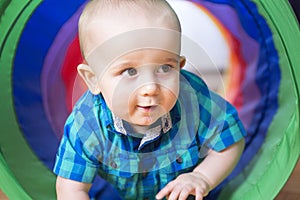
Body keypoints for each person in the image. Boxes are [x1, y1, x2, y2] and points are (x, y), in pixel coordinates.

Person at [53, 0, 246, 199]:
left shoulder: (193, 100)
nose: (150, 87)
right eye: (129, 71)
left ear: (179, 67)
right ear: (94, 80)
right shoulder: (86, 124)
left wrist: (202, 177)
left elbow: (230, 140)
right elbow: (71, 188)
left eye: (164, 68)